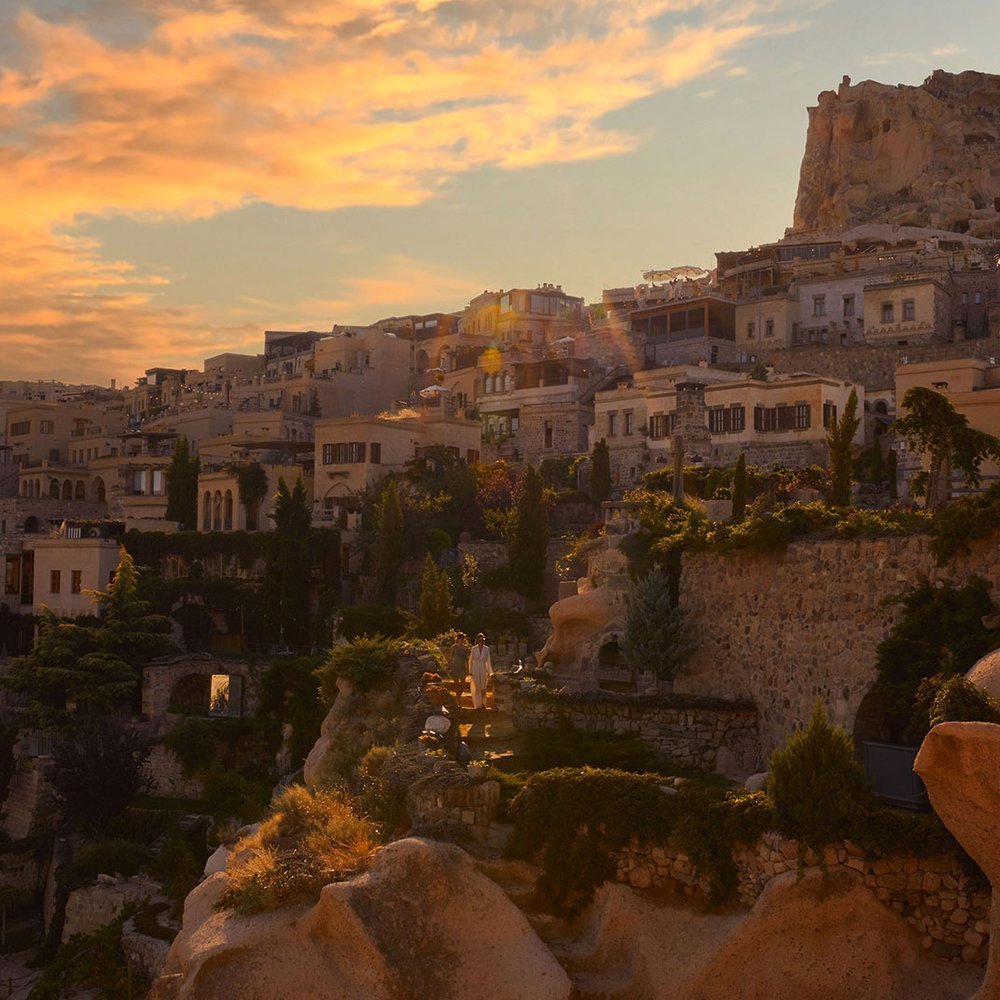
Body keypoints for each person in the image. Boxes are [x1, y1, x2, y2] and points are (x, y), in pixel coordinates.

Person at [467, 632, 493, 710]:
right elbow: (470, 660)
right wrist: (470, 670)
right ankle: (477, 704)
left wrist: (490, 672)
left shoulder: (486, 649)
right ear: (477, 640)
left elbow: (488, 660)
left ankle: (483, 703)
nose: (481, 641)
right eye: (480, 640)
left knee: (483, 688)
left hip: (483, 668)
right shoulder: (474, 649)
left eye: (483, 640)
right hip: (475, 668)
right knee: (477, 687)